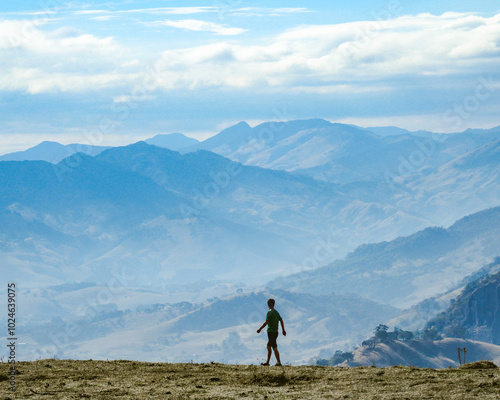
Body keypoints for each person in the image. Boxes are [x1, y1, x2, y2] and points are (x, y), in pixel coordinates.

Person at [257, 298, 286, 366]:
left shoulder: (269, 312)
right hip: (275, 332)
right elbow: (281, 320)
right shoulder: (276, 312)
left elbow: (266, 322)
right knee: (269, 346)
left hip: (271, 331)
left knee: (273, 347)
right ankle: (268, 362)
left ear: (268, 304)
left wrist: (260, 329)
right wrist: (283, 330)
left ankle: (277, 362)